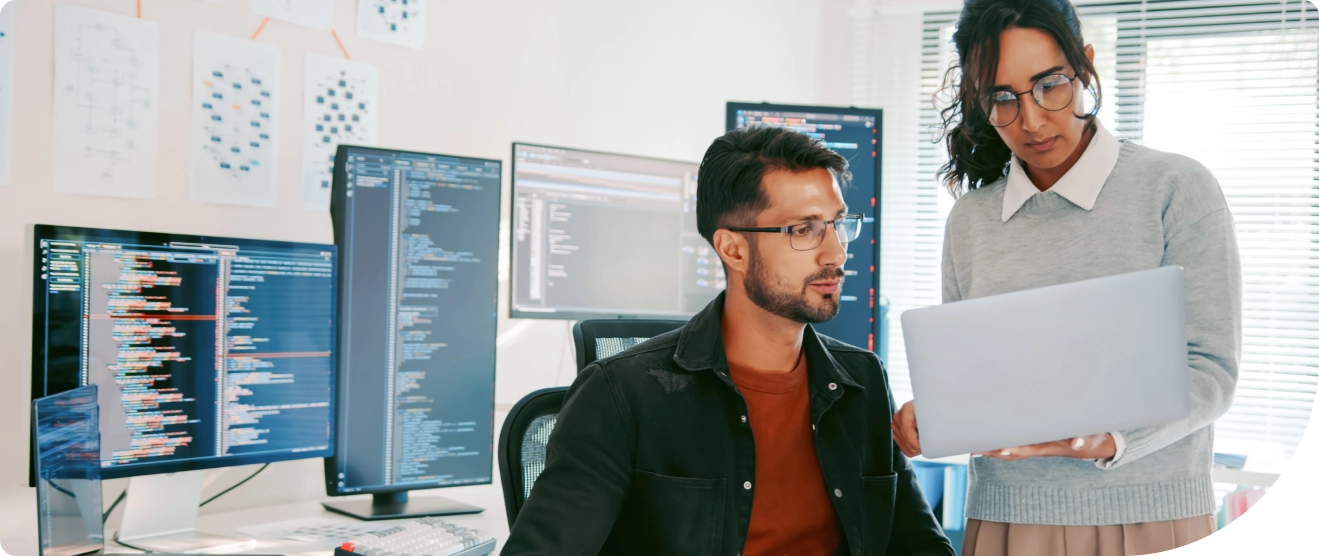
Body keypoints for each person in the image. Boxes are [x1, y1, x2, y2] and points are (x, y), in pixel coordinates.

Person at [890, 1, 1242, 555]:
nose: (1030, 120)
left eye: (1050, 85)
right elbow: (981, 382)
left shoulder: (1175, 188)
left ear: (1085, 67)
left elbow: (1212, 370)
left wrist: (1112, 439)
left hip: (1150, 520)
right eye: (1002, 99)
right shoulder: (971, 221)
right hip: (1008, 523)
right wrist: (934, 416)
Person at [501, 126, 954, 556]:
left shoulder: (862, 379)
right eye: (804, 229)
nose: (836, 252)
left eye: (838, 223)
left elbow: (919, 544)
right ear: (733, 249)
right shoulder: (621, 394)